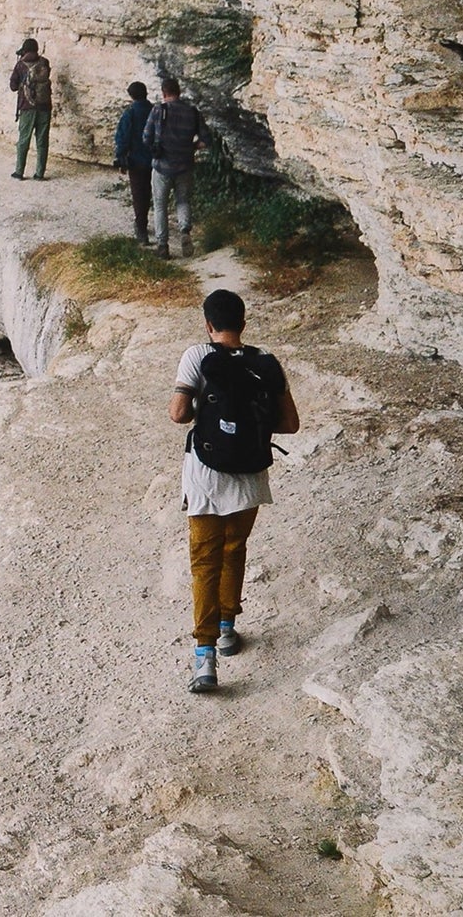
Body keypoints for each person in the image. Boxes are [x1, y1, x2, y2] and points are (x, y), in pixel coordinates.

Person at [170, 288, 299, 694]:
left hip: (207, 475)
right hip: (250, 477)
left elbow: (177, 414)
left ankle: (204, 658)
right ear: (243, 323)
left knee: (204, 562)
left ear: (208, 325)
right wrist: (250, 425)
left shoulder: (197, 356)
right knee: (234, 549)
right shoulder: (266, 362)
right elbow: (291, 424)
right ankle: (228, 629)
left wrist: (207, 414)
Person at [142, 75, 206, 257]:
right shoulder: (192, 112)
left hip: (162, 165)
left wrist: (156, 148)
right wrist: (190, 148)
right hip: (185, 165)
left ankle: (163, 246)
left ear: (164, 93)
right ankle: (185, 231)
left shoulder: (157, 110)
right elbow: (205, 140)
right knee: (183, 201)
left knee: (160, 205)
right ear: (179, 92)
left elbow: (145, 137)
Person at [111, 80, 154, 244]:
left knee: (138, 193)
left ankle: (141, 229)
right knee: (149, 192)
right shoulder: (154, 111)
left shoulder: (130, 113)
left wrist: (121, 159)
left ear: (131, 96)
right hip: (154, 159)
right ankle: (145, 222)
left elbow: (123, 138)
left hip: (136, 160)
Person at [9, 37, 53, 180]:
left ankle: (19, 172)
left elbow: (13, 86)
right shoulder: (45, 62)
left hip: (27, 107)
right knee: (42, 141)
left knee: (23, 140)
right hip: (45, 107)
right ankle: (40, 173)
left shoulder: (20, 65)